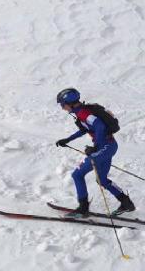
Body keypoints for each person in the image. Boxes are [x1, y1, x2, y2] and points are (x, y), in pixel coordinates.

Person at [54, 88, 135, 218]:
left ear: (69, 103)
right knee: (101, 180)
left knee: (77, 175)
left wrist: (96, 147)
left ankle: (83, 209)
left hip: (104, 148)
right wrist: (68, 139)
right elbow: (85, 129)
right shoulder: (81, 112)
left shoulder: (83, 113)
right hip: (109, 146)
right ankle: (126, 203)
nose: (63, 108)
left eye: (62, 105)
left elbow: (99, 126)